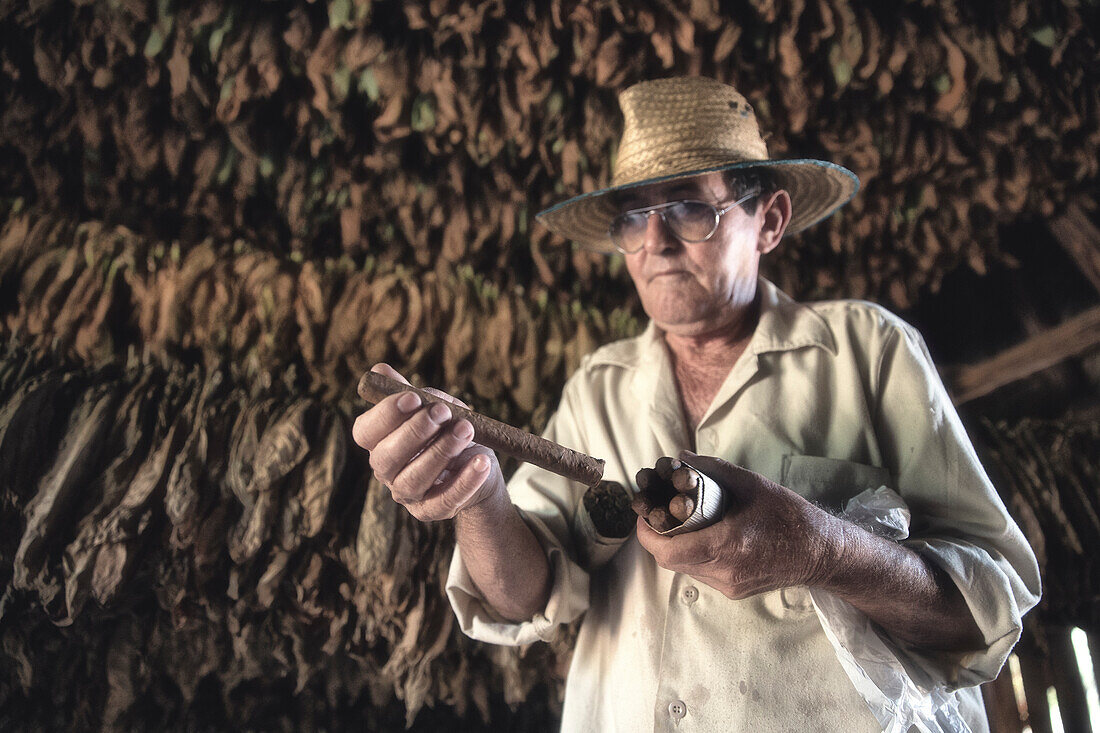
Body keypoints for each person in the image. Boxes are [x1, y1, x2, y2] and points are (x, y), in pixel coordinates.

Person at [352, 77, 1040, 731]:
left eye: (687, 207)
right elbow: (525, 593)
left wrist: (822, 549)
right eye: (633, 217)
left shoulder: (870, 349)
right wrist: (476, 495)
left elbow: (989, 609)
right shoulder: (599, 386)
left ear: (768, 220)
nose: (654, 242)